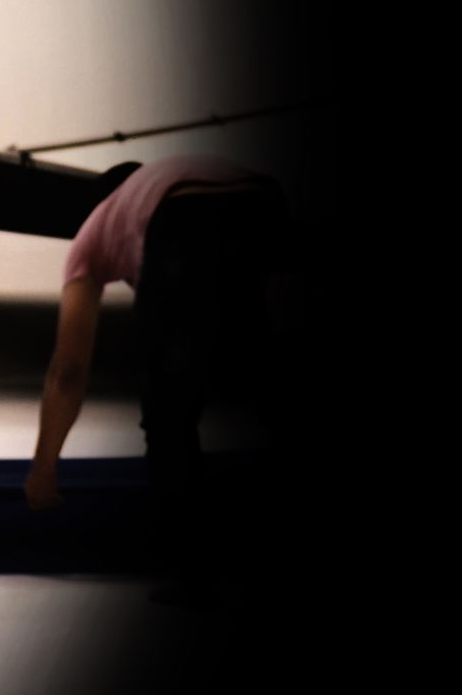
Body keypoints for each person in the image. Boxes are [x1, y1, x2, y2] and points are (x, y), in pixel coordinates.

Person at [27, 152, 291, 588]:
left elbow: (68, 369)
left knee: (169, 414)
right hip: (266, 200)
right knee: (270, 380)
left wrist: (43, 472)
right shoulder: (166, 177)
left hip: (185, 216)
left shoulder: (97, 226)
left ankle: (184, 571)